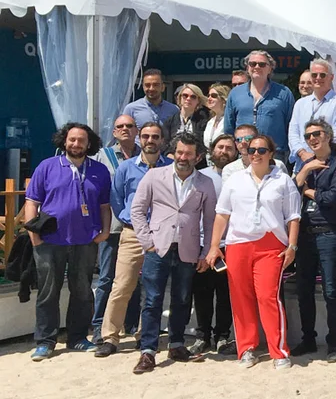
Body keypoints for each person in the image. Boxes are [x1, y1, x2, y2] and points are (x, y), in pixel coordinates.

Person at [205, 135, 301, 369]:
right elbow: (222, 214)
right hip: (238, 243)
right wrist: (214, 245)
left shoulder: (283, 180)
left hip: (271, 244)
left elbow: (293, 217)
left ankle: (278, 350)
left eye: (261, 150)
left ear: (271, 153)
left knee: (268, 297)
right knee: (240, 298)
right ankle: (247, 348)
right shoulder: (235, 179)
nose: (256, 154)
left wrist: (292, 246)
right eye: (251, 150)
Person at [128, 132, 216, 374]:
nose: (183, 157)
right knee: (152, 299)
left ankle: (176, 344)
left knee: (182, 299)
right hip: (158, 247)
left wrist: (205, 251)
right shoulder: (154, 176)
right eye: (179, 152)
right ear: (173, 153)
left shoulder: (205, 183)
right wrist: (147, 242)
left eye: (188, 153)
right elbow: (137, 210)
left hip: (188, 249)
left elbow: (210, 221)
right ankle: (148, 351)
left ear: (198, 157)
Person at [26, 123, 111, 361]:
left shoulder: (99, 170)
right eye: (72, 139)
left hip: (85, 240)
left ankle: (78, 337)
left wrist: (105, 231)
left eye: (81, 140)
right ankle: (45, 341)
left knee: (82, 290)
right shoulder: (47, 166)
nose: (76, 144)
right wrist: (34, 236)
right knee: (48, 292)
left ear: (89, 144)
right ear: (64, 141)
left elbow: (105, 205)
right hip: (49, 240)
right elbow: (32, 201)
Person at [95, 122, 171, 358]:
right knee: (122, 286)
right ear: (140, 138)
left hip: (160, 235)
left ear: (162, 140)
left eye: (155, 136)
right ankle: (110, 337)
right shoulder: (126, 168)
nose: (150, 140)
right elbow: (117, 200)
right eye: (146, 136)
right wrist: (132, 221)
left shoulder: (170, 167)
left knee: (153, 288)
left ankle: (143, 334)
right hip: (132, 234)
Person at [290, 119, 336, 362]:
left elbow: (334, 198)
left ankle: (334, 342)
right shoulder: (305, 165)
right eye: (308, 136)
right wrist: (305, 172)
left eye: (316, 134)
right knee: (303, 290)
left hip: (329, 233)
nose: (312, 139)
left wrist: (307, 190)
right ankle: (308, 339)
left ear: (327, 135)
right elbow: (288, 195)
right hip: (305, 234)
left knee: (330, 290)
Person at [90, 115, 140, 344]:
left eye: (130, 126)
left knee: (135, 278)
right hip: (111, 226)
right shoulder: (102, 156)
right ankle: (100, 326)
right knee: (107, 278)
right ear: (114, 132)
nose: (125, 129)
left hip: (137, 227)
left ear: (136, 130)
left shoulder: (145, 154)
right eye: (120, 126)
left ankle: (131, 323)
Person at [190, 134, 237, 355]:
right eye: (220, 147)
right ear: (212, 150)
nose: (224, 151)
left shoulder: (240, 177)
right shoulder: (200, 177)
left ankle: (222, 336)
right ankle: (202, 336)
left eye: (229, 148)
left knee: (226, 294)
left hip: (231, 244)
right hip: (202, 244)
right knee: (202, 293)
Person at [223, 50, 296, 162]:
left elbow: (291, 125)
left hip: (274, 154)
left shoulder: (284, 93)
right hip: (244, 153)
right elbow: (229, 127)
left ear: (270, 68)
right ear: (247, 68)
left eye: (262, 64)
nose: (257, 67)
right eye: (253, 64)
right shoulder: (235, 93)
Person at [288, 58, 336, 166]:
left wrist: (318, 156)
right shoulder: (300, 104)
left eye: (322, 75)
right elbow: (293, 133)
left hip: (328, 164)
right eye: (314, 75)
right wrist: (302, 153)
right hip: (302, 163)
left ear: (331, 77)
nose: (318, 78)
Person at [222, 124, 286, 182]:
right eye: (239, 139)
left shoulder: (278, 166)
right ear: (236, 144)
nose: (243, 142)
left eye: (248, 138)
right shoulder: (229, 170)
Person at [203, 84, 230, 164]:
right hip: (210, 163)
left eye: (213, 96)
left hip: (225, 162)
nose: (209, 98)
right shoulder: (210, 122)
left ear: (223, 99)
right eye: (208, 95)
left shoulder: (229, 120)